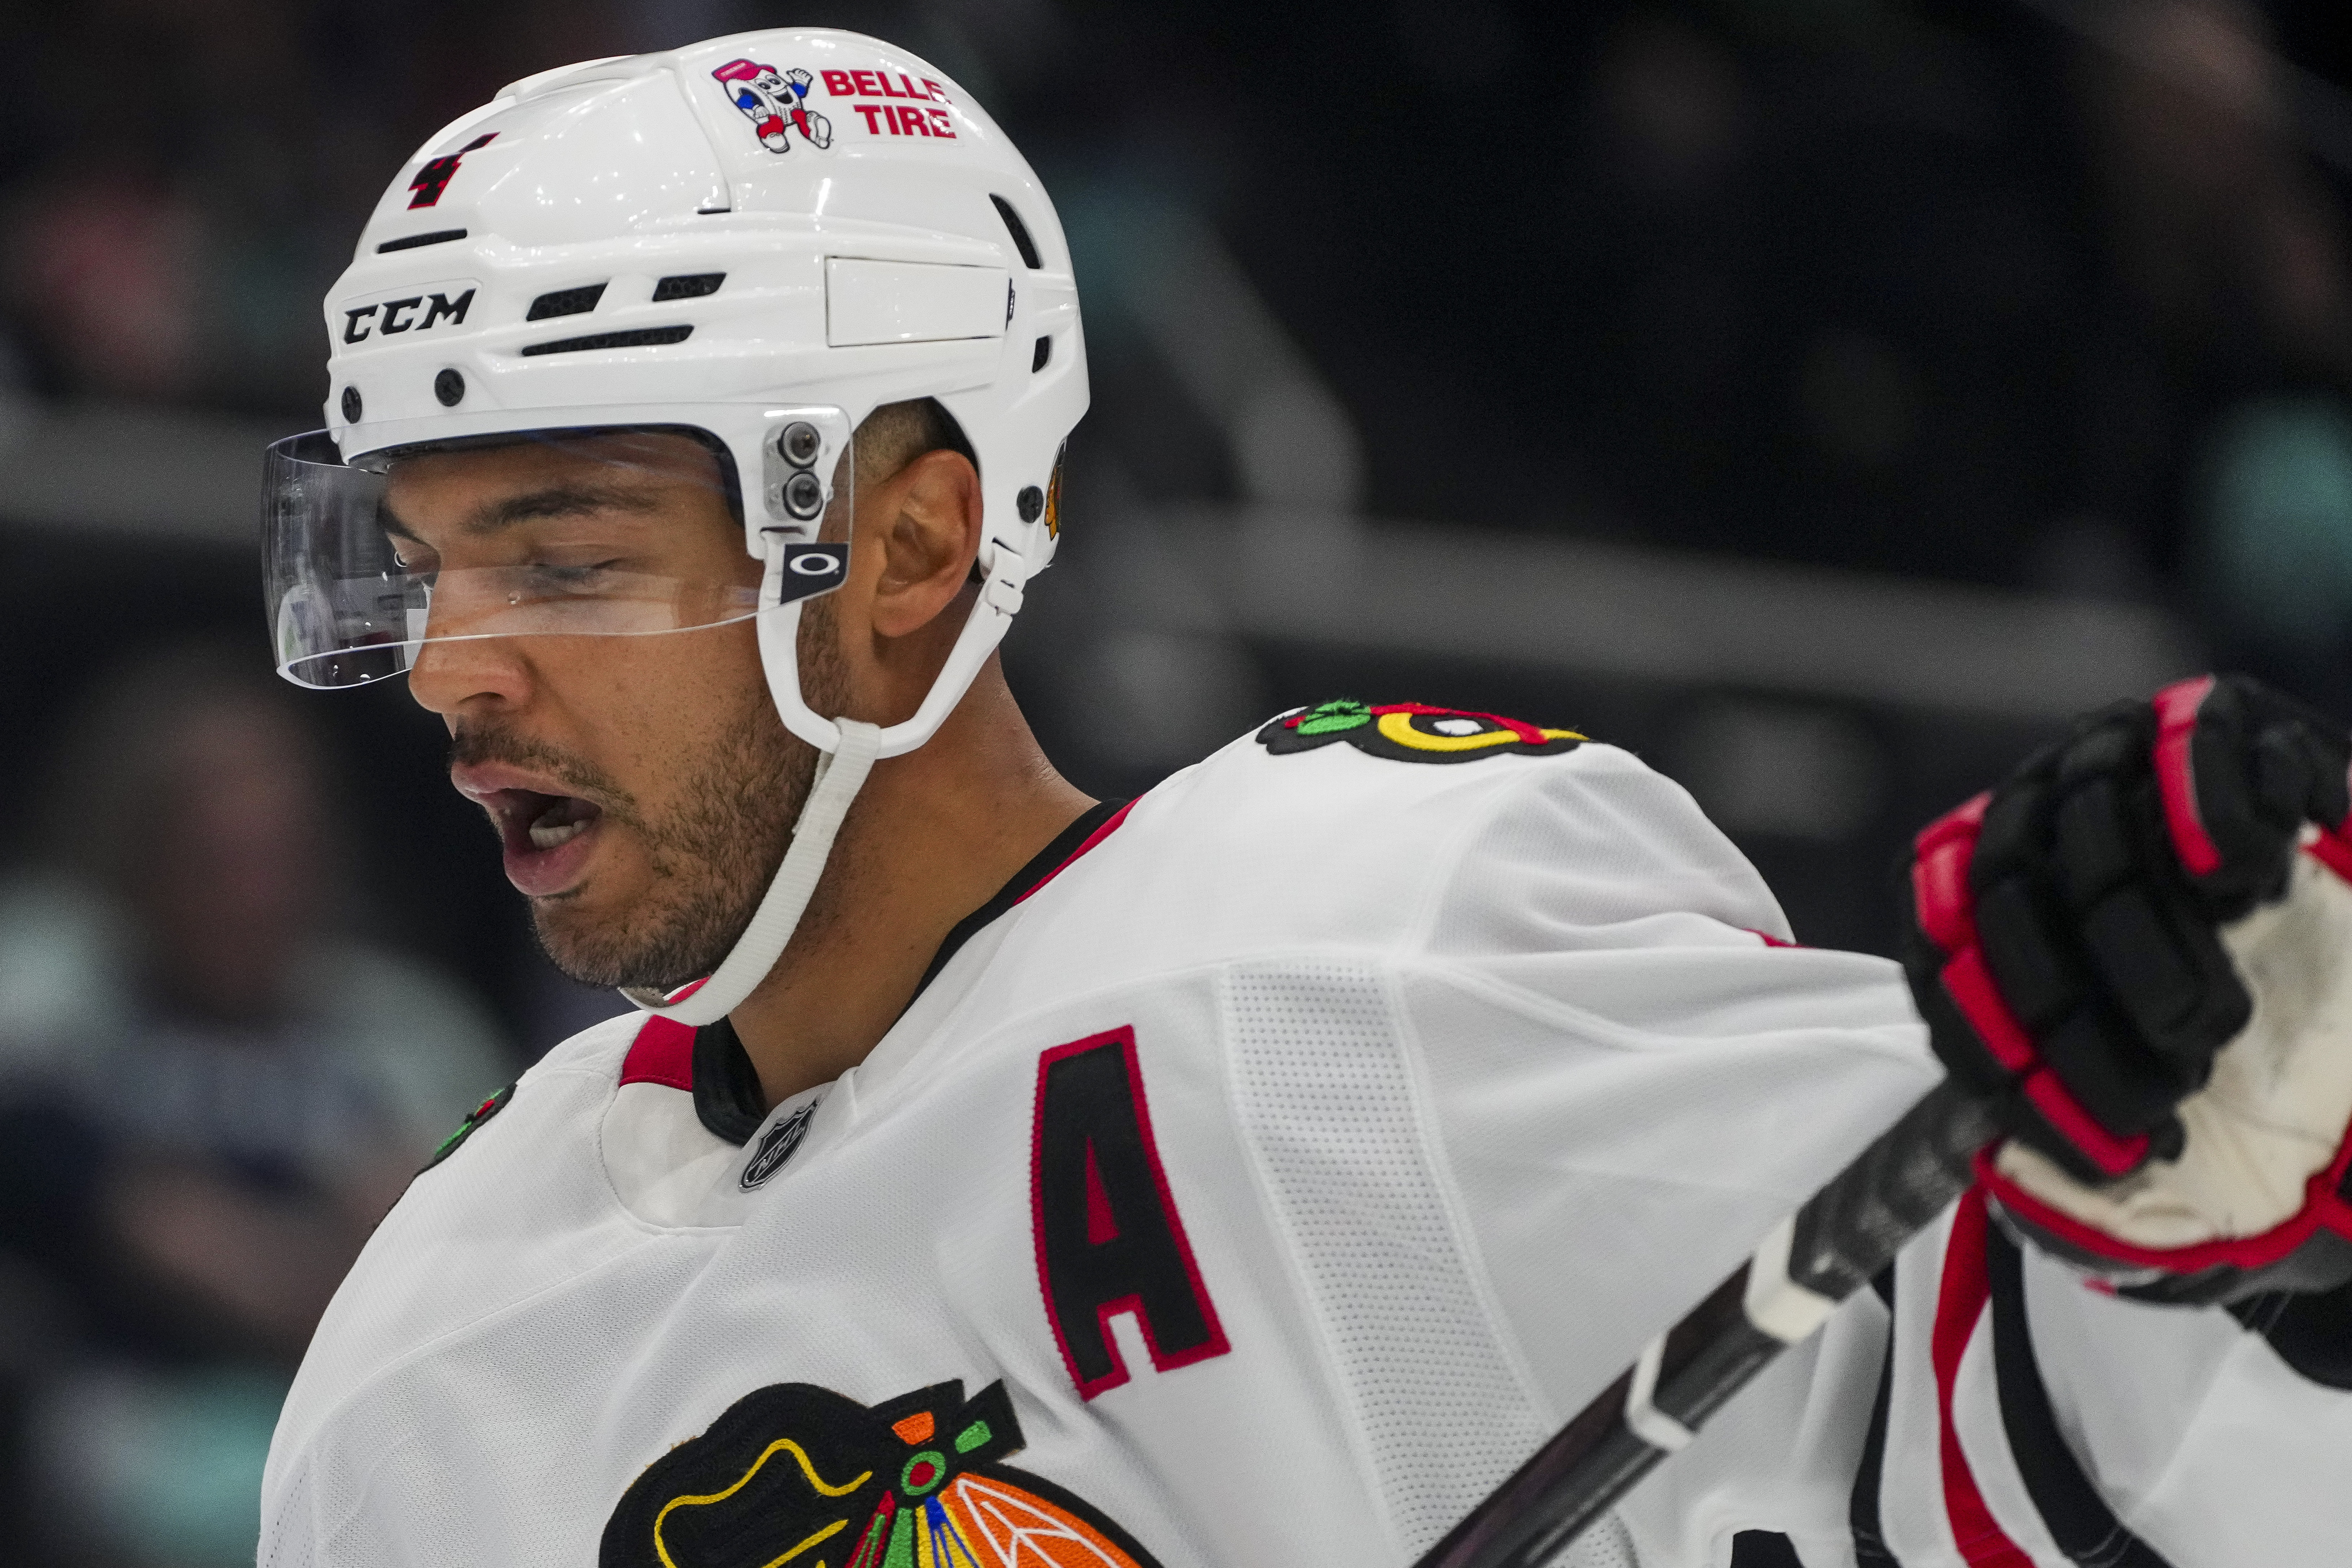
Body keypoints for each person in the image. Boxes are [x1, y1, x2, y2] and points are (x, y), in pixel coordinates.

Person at [256, 29, 2352, 1568]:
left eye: (565, 552)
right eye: (425, 567)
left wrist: (2220, 1188)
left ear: (901, 550)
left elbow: (2018, 1426)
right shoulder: (432, 1337)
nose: (454, 663)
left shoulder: (1349, 950)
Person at [0, 643, 509, 1567]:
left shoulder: (398, 1030)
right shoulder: (57, 990)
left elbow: (468, 1255)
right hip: (114, 1427)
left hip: (356, 1428)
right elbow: (116, 1210)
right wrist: (157, 1220)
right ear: (139, 858)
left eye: (281, 859)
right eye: (217, 861)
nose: (254, 896)